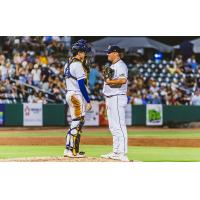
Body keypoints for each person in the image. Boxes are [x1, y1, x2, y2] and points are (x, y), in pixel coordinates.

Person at [63, 39, 92, 158]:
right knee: (77, 122)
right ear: (79, 52)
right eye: (84, 52)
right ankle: (72, 151)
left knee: (76, 122)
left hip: (70, 93)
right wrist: (88, 100)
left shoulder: (68, 63)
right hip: (76, 94)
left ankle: (69, 149)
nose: (85, 54)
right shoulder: (78, 64)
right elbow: (81, 84)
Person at [101, 45, 129, 161]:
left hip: (117, 97)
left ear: (116, 53)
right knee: (113, 127)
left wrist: (109, 81)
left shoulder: (121, 65)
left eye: (109, 52)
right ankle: (116, 151)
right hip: (111, 98)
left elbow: (123, 80)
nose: (107, 54)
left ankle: (122, 153)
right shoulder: (113, 66)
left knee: (119, 126)